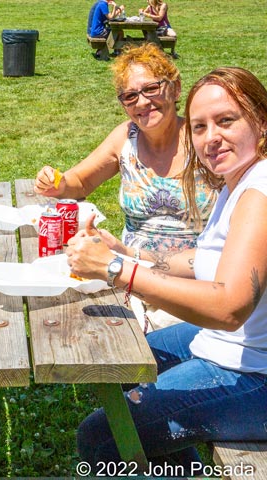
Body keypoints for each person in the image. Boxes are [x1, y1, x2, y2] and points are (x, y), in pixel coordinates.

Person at [68, 66, 267, 474]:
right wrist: (130, 253)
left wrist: (118, 269)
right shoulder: (239, 180)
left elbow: (228, 308)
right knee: (124, 355)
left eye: (226, 121)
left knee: (102, 436)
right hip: (236, 347)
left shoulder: (258, 193)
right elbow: (207, 261)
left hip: (254, 373)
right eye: (199, 127)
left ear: (261, 122)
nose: (211, 137)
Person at [34, 43, 218, 331]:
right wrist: (56, 182)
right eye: (130, 96)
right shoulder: (126, 137)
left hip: (192, 285)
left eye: (151, 89)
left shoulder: (205, 143)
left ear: (175, 88)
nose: (142, 102)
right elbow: (81, 180)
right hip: (124, 273)